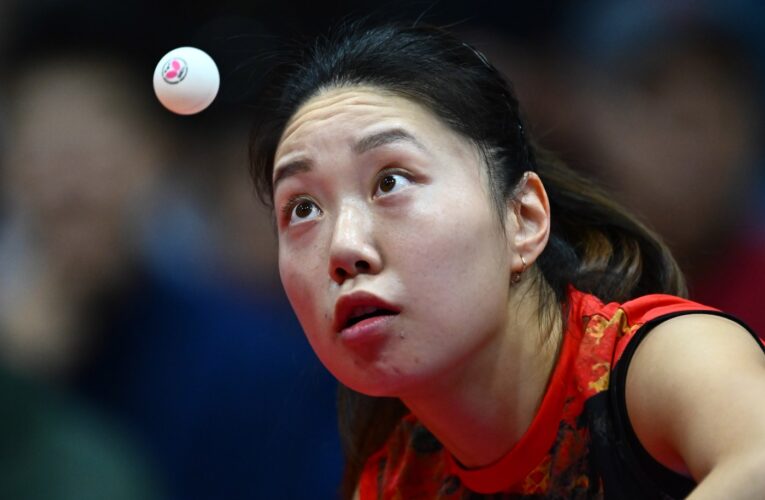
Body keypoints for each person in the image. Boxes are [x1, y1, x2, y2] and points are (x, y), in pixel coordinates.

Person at [248, 21, 765, 499]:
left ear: (524, 219)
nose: (343, 248)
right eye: (304, 208)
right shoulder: (397, 484)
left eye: (390, 182)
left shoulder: (663, 362)